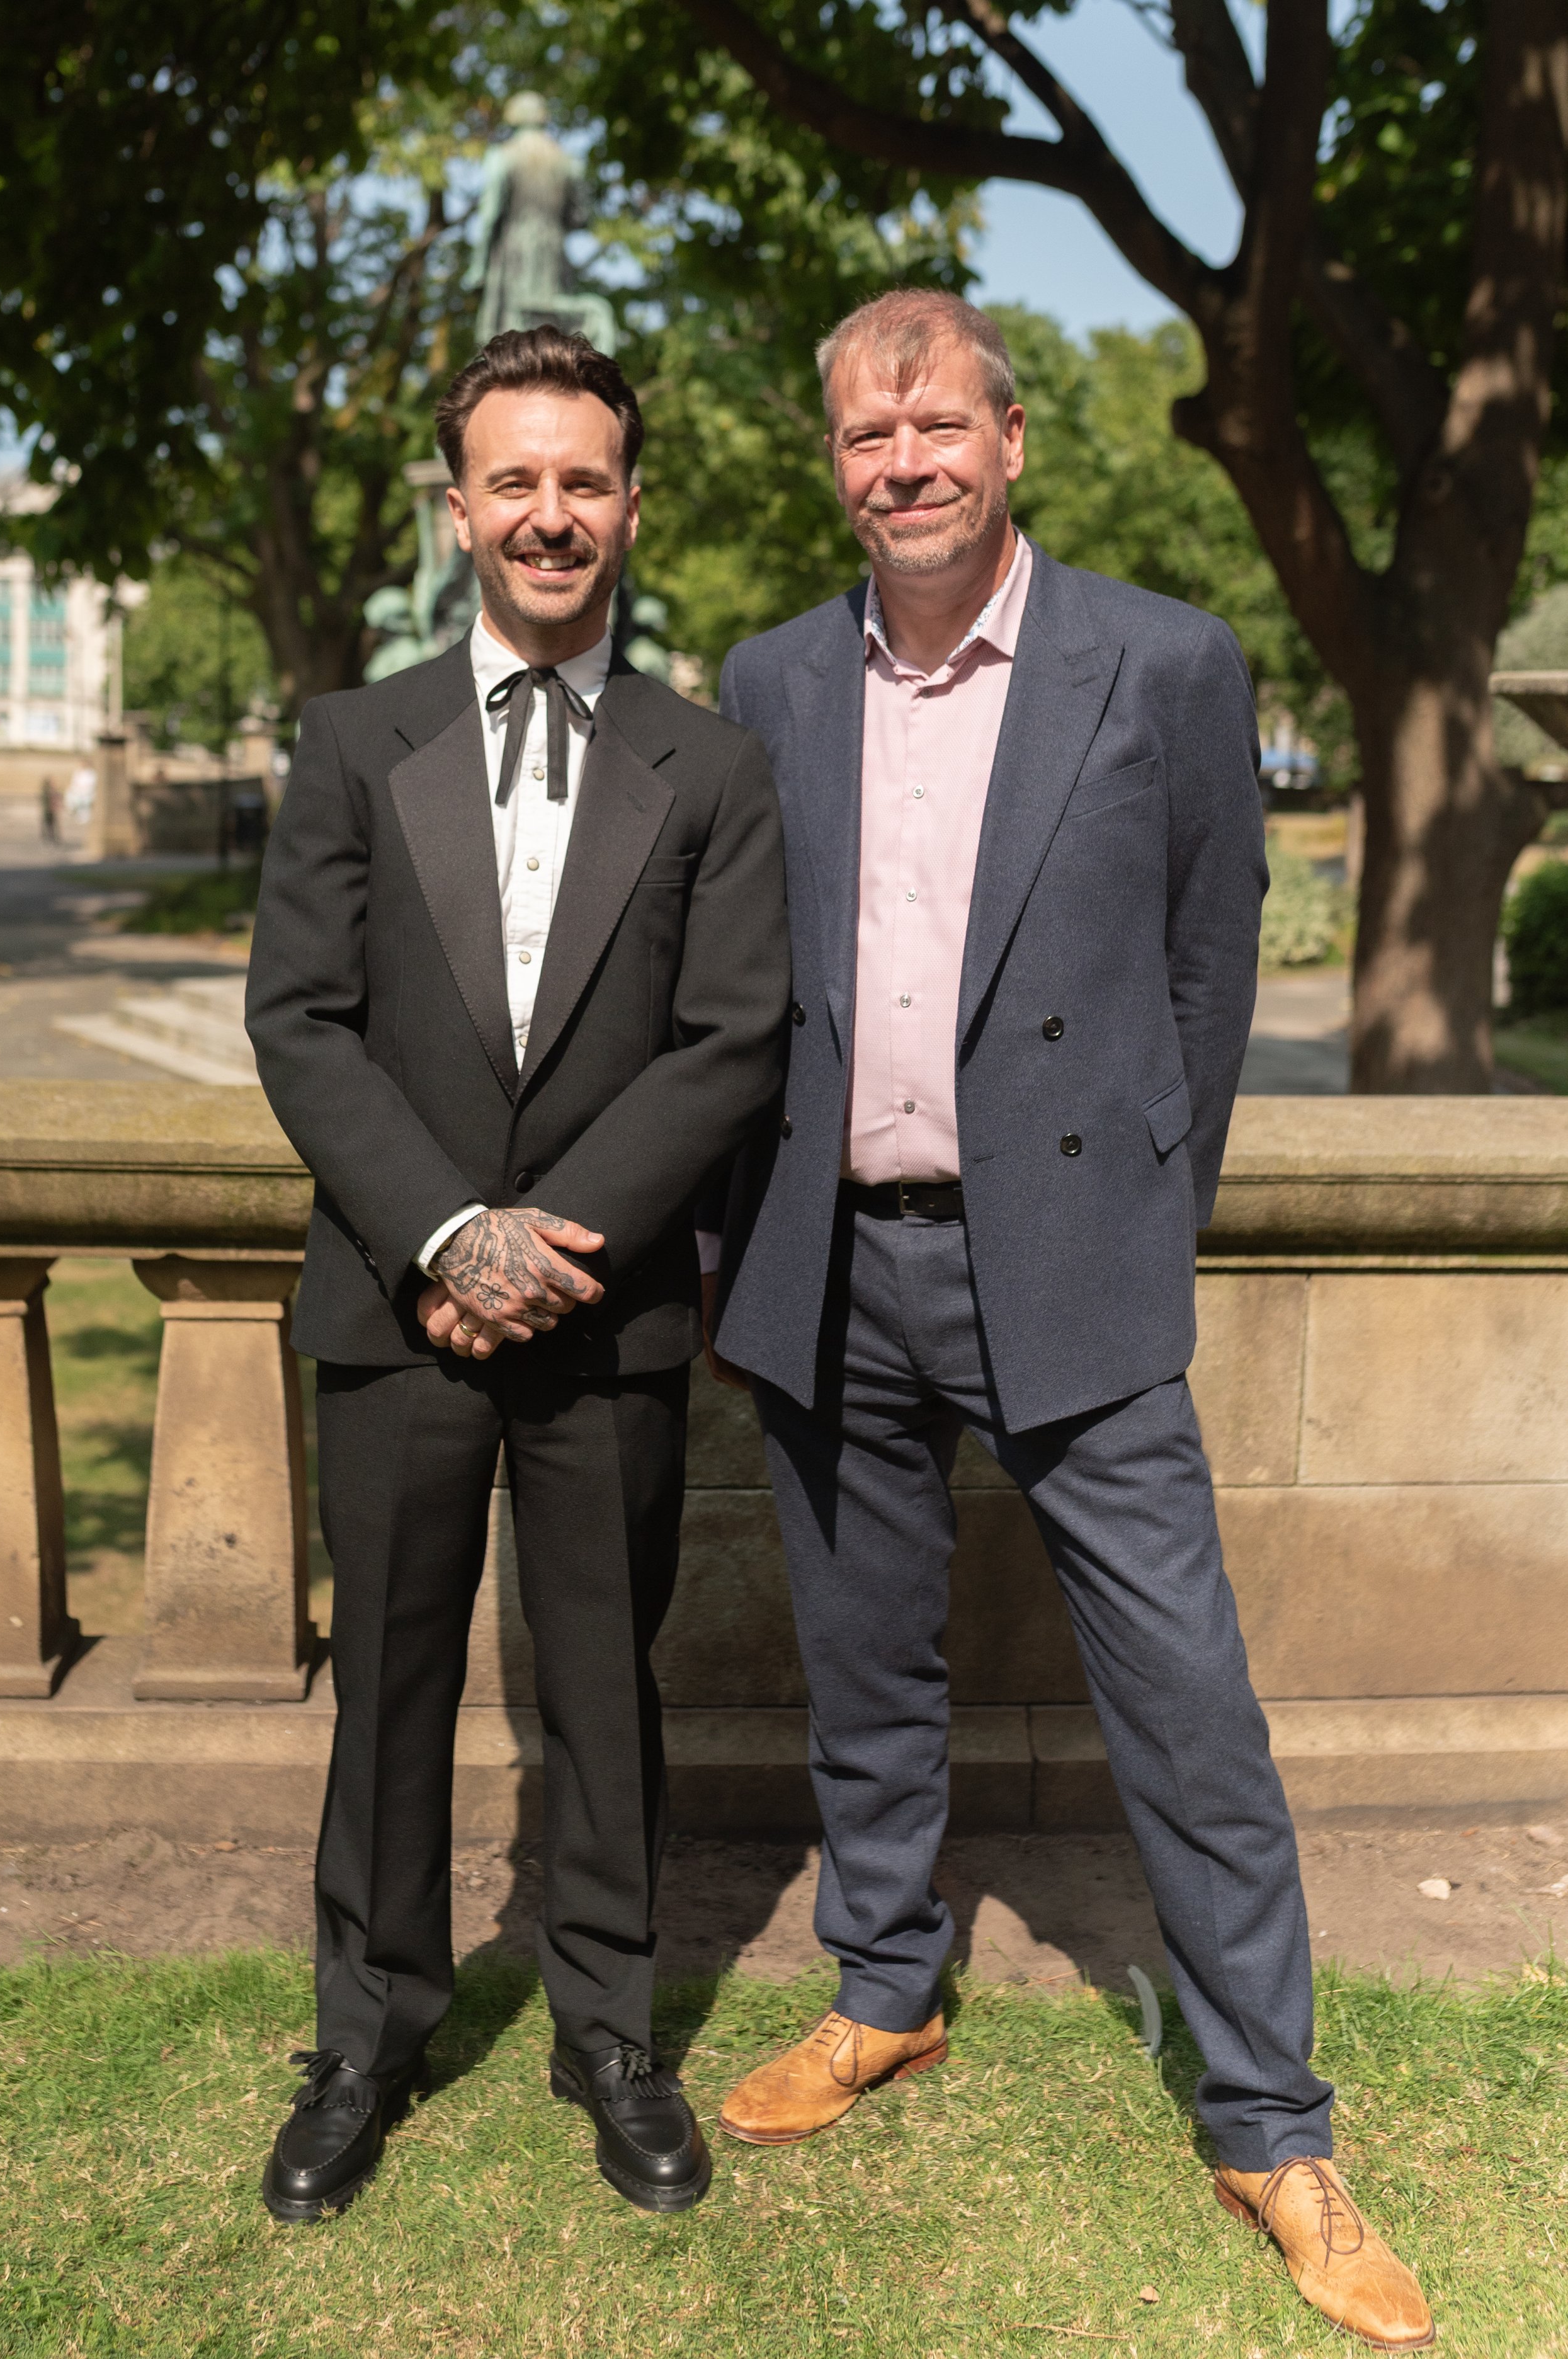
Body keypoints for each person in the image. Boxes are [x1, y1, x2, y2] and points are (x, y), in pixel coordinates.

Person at [703, 292, 1432, 2352]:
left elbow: (1208, 985)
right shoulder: (767, 678)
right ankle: (879, 1990)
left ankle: (1273, 2123)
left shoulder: (1165, 659)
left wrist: (1129, 1225)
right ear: (833, 464)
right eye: (865, 435)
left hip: (1074, 1265)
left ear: (1011, 440)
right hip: (830, 1260)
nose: (902, 460)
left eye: (935, 423)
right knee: (865, 1666)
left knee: (1186, 1703)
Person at [246, 326, 789, 2222]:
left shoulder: (711, 765)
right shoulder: (345, 740)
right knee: (386, 1682)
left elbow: (729, 1039)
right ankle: (366, 2035)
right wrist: (443, 1236)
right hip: (392, 1305)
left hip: (607, 1314)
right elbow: (301, 1022)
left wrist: (545, 1250)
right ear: (456, 504)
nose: (551, 515)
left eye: (585, 481)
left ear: (630, 504)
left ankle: (610, 2033)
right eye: (516, 480)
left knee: (603, 1682)